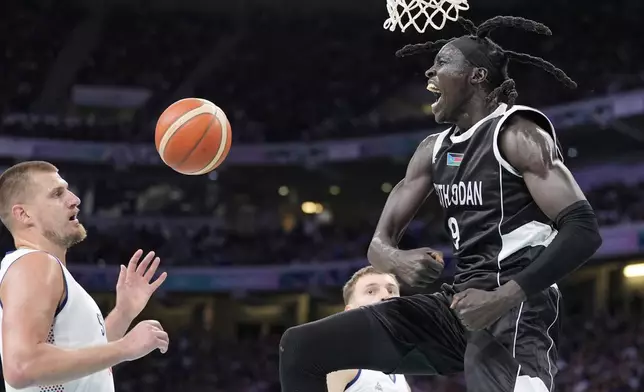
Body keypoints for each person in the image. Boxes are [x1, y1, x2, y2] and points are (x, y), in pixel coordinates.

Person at [279, 16, 602, 392]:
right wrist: (397, 260)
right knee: (301, 348)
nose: (430, 70)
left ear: (477, 76)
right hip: (458, 303)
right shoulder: (432, 151)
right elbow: (378, 245)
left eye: (444, 62)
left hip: (517, 306)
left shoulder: (517, 133)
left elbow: (583, 228)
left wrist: (503, 297)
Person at [0, 161, 169, 392]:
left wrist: (123, 313)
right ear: (24, 214)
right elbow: (22, 366)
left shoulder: (45, 269)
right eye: (57, 194)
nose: (74, 199)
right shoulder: (35, 264)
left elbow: (81, 359)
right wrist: (126, 347)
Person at [326, 266, 411, 392]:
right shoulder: (339, 363)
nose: (385, 296)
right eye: (371, 291)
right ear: (350, 313)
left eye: (391, 290)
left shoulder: (400, 373)